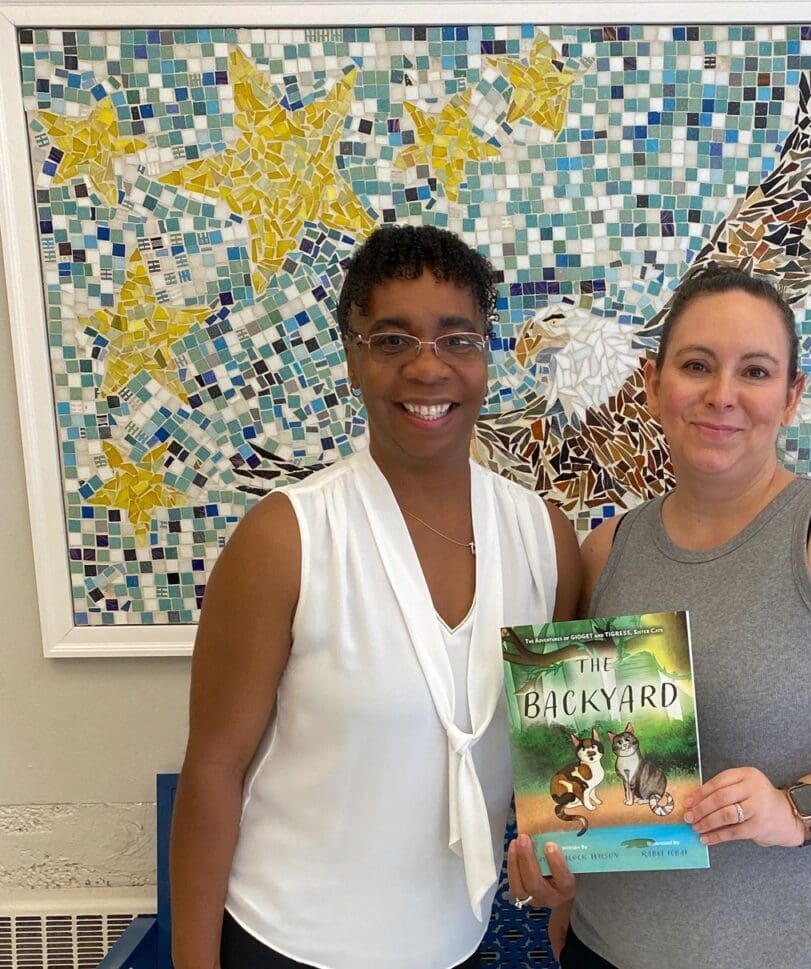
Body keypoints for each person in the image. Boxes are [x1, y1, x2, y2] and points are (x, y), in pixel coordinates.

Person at [507, 265, 811, 969]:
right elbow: (595, 766)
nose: (721, 395)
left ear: (790, 397)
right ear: (652, 383)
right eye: (697, 365)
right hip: (611, 951)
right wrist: (558, 863)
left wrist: (795, 810)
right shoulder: (606, 551)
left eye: (754, 371)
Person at [169, 223, 581, 969]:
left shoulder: (544, 538)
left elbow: (556, 757)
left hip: (452, 945)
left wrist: (564, 868)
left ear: (485, 356)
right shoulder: (287, 538)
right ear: (353, 359)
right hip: (287, 941)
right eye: (392, 340)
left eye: (457, 339)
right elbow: (213, 768)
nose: (428, 368)